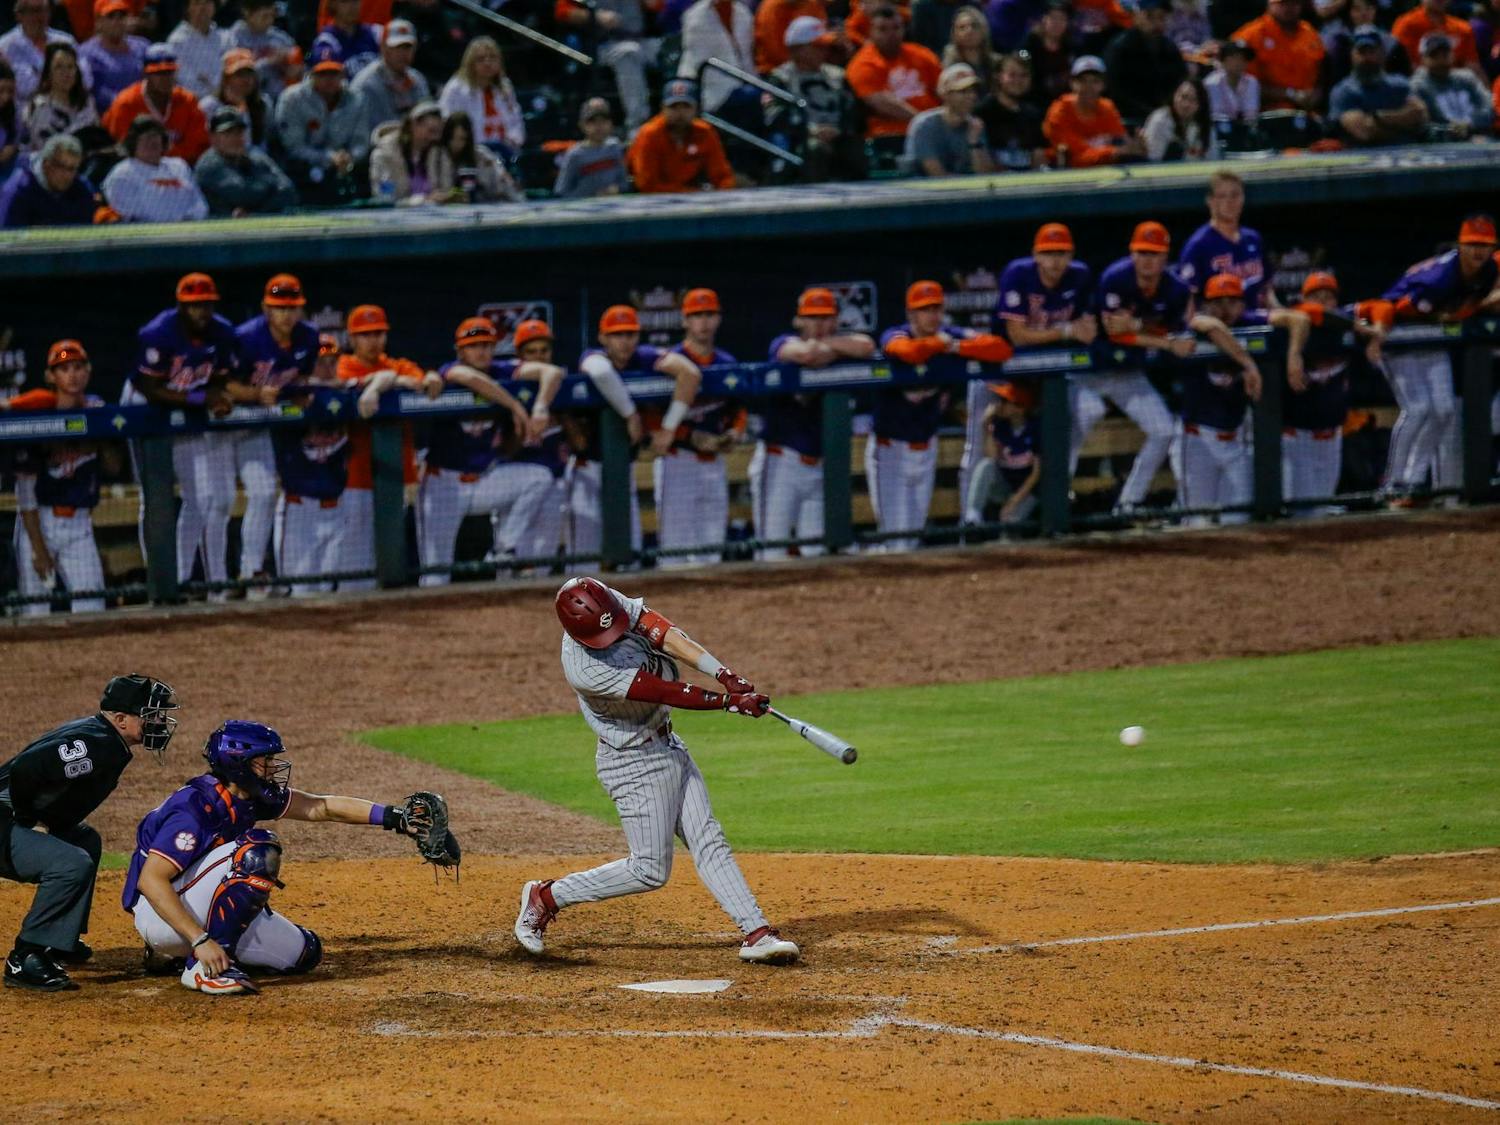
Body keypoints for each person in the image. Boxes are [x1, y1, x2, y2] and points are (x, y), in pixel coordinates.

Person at [514, 578, 799, 966]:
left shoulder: (603, 600)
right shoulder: (585, 670)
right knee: (649, 871)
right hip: (633, 764)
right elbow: (664, 692)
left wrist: (725, 674)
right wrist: (728, 702)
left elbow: (663, 633)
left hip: (668, 745)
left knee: (708, 839)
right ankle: (547, 897)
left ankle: (757, 933)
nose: (616, 637)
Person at [128, 720, 452, 994]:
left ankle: (175, 953)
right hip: (160, 913)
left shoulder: (248, 796)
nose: (272, 767)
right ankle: (203, 967)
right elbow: (151, 880)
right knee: (256, 851)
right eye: (263, 760)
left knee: (305, 954)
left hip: (190, 908)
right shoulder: (194, 808)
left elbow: (320, 806)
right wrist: (199, 940)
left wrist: (395, 817)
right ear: (237, 763)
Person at [0, 674, 179, 992]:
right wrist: (29, 818)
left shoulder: (105, 738)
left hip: (7, 819)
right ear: (122, 719)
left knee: (85, 840)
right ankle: (26, 955)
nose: (160, 721)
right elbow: (26, 769)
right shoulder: (95, 745)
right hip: (3, 821)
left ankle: (57, 941)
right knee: (71, 863)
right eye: (151, 714)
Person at [873, 280, 1012, 551]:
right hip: (890, 450)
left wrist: (955, 347)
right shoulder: (897, 333)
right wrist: (938, 343)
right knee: (895, 540)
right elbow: (907, 352)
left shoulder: (951, 335)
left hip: (926, 448)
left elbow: (1000, 348)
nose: (932, 315)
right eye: (925, 309)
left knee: (912, 538)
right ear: (911, 314)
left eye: (936, 308)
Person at [417, 316, 555, 585]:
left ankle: (504, 547)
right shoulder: (451, 370)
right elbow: (466, 376)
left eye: (487, 345)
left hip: (484, 482)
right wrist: (515, 406)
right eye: (473, 345)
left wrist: (539, 407)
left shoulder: (503, 370)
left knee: (539, 477)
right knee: (435, 574)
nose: (481, 351)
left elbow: (552, 373)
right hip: (443, 484)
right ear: (460, 351)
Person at [1373, 215, 1500, 501]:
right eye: (1472, 244)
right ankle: (1392, 481)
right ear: (1460, 245)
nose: (1478, 251)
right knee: (1418, 409)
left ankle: (1414, 479)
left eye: (1484, 244)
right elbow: (1397, 306)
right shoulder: (1438, 279)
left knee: (1442, 409)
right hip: (1399, 329)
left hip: (1434, 331)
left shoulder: (1489, 269)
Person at [124, 273, 237, 591]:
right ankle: (157, 576)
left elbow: (219, 378)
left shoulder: (223, 332)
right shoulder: (159, 332)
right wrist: (203, 399)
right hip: (145, 408)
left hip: (187, 408)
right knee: (154, 497)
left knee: (199, 497)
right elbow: (151, 389)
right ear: (181, 305)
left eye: (206, 305)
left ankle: (182, 577)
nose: (201, 311)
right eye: (194, 305)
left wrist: (218, 397)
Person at [566, 304, 702, 563]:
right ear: (603, 338)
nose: (625, 341)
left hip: (623, 470)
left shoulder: (644, 356)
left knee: (631, 553)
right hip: (587, 469)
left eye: (630, 334)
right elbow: (601, 372)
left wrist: (669, 427)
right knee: (584, 560)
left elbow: (690, 373)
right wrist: (631, 414)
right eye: (617, 335)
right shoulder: (593, 356)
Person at [755, 286, 876, 559]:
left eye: (825, 317)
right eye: (812, 317)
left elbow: (867, 346)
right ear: (799, 320)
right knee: (771, 550)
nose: (819, 324)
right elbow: (805, 355)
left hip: (820, 466)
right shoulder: (781, 342)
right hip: (781, 462)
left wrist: (829, 347)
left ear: (835, 320)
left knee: (815, 553)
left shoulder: (838, 343)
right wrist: (836, 350)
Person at [1085, 221, 1196, 515]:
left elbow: (1175, 331)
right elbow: (1114, 332)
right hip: (1092, 373)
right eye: (1142, 253)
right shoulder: (1115, 278)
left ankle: (1129, 501)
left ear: (1165, 257)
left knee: (1163, 430)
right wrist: (1161, 339)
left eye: (1155, 254)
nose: (1148, 260)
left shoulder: (1176, 289)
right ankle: (1056, 504)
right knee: (1075, 430)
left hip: (1128, 375)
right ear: (1132, 253)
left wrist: (1137, 326)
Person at [1176, 272, 1300, 524]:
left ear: (1243, 304)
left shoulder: (1249, 321)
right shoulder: (1198, 324)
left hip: (1236, 442)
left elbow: (1297, 318)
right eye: (1217, 302)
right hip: (1198, 441)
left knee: (1239, 521)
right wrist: (1248, 364)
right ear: (1206, 305)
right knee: (1196, 524)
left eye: (1232, 301)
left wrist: (1294, 354)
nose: (1225, 308)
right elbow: (1212, 326)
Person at [335, 304, 443, 590]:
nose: (373, 340)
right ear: (352, 338)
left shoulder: (397, 364)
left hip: (397, 477)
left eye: (378, 333)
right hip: (354, 477)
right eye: (365, 334)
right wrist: (394, 382)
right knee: (354, 561)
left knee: (392, 554)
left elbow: (424, 382)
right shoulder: (343, 365)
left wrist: (428, 378)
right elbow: (344, 382)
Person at [4, 339, 115, 614]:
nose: (73, 375)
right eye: (64, 369)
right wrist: (39, 551)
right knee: (35, 613)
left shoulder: (97, 412)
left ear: (88, 371)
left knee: (92, 609)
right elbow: (25, 494)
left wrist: (103, 439)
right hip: (40, 523)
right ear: (50, 376)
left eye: (78, 367)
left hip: (79, 525)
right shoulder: (36, 415)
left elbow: (113, 467)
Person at [225, 274, 319, 594]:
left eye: (292, 308)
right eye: (280, 308)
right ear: (266, 308)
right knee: (211, 502)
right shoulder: (245, 337)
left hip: (256, 425)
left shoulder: (308, 338)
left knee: (264, 492)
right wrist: (252, 394)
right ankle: (198, 583)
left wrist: (298, 393)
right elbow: (221, 384)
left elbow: (300, 378)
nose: (287, 315)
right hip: (221, 426)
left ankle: (252, 573)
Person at [1282, 271, 1384, 516]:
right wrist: (1356, 326)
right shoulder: (1296, 321)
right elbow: (1310, 312)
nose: (1323, 301)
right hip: (1297, 436)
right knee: (1301, 511)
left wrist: (1377, 333)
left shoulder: (1345, 320)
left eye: (1329, 296)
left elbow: (1381, 307)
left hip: (1332, 436)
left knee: (1319, 508)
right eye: (1317, 295)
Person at [656, 288, 741, 568]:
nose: (703, 322)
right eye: (697, 315)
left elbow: (739, 409)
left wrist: (735, 432)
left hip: (714, 463)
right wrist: (689, 435)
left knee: (712, 546)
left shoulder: (727, 362)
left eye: (709, 315)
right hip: (678, 460)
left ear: (718, 319)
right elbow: (653, 418)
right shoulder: (671, 361)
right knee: (675, 550)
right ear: (685, 320)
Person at [274, 333, 350, 596]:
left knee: (329, 593)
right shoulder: (290, 396)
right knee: (299, 592)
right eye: (321, 362)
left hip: (337, 509)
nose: (328, 369)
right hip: (299, 511)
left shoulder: (347, 394)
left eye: (333, 362)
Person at [767, 16, 865, 182]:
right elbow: (775, 115)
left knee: (855, 147)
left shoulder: (837, 75)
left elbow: (853, 111)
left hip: (837, 134)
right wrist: (810, 131)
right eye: (817, 46)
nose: (824, 51)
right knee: (814, 149)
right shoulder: (780, 78)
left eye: (824, 46)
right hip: (801, 138)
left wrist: (839, 129)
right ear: (796, 49)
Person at [273, 50, 371, 204]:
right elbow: (293, 147)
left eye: (334, 73)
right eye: (322, 74)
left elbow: (361, 142)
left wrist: (349, 158)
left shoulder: (356, 99)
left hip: (346, 167)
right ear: (311, 74)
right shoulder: (291, 98)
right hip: (303, 170)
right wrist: (329, 157)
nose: (329, 79)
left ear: (342, 74)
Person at [555, 0, 659, 131]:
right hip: (605, 44)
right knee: (628, 53)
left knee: (670, 50)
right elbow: (562, 12)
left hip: (643, 39)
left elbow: (658, 6)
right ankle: (638, 125)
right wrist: (594, 15)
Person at [101, 43, 210, 165]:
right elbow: (124, 145)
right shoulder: (126, 102)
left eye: (169, 72)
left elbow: (198, 144)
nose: (165, 78)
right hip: (135, 167)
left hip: (180, 167)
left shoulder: (187, 101)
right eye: (158, 73)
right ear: (146, 74)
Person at [1176, 170, 1272, 308]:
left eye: (1235, 195)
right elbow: (1189, 298)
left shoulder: (1253, 238)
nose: (1229, 202)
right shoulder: (1198, 244)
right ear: (1210, 201)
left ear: (1243, 198)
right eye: (1222, 196)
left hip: (1254, 317)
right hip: (1217, 320)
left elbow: (1266, 290)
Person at [847, 5, 942, 137]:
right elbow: (882, 103)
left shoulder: (922, 54)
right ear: (870, 31)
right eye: (882, 29)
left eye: (896, 28)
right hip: (891, 135)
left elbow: (943, 89)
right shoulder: (862, 63)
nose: (891, 34)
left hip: (935, 129)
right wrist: (923, 122)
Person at [627, 78, 736, 192]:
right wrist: (689, 193)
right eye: (673, 107)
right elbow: (646, 184)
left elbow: (723, 176)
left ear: (695, 109)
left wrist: (724, 192)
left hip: (691, 196)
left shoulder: (705, 132)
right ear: (663, 108)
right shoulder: (649, 134)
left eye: (686, 106)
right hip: (651, 200)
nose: (680, 112)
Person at [1329, 28, 1428, 145]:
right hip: (1365, 157)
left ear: (1382, 53)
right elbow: (1365, 132)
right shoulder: (1344, 90)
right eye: (1362, 52)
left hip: (1408, 154)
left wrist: (1379, 117)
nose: (1367, 57)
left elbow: (1420, 116)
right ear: (1352, 55)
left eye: (1371, 51)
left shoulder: (1401, 84)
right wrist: (1403, 123)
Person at [101, 113, 209, 221]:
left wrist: (191, 219)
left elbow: (199, 202)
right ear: (133, 142)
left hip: (190, 230)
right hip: (149, 233)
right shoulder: (122, 174)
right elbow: (129, 211)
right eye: (144, 138)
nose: (151, 141)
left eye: (155, 135)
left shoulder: (179, 165)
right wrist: (174, 222)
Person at [964, 380, 1041, 527]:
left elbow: (1036, 473)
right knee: (986, 465)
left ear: (1020, 408)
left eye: (1006, 401)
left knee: (1010, 523)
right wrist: (986, 426)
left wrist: (1014, 501)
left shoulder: (1034, 428)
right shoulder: (1000, 425)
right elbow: (992, 459)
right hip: (1004, 485)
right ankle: (973, 516)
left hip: (1026, 491)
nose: (1001, 404)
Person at [195, 105, 296, 215]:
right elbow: (241, 193)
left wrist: (254, 213)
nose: (236, 138)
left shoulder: (256, 156)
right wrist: (269, 187)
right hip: (220, 227)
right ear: (213, 137)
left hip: (257, 222)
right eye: (228, 133)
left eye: (239, 132)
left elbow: (287, 189)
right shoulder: (208, 165)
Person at [1043, 54, 1141, 166]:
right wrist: (1115, 152)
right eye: (1083, 81)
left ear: (1103, 85)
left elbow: (1121, 141)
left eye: (1095, 81)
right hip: (1066, 176)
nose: (1089, 87)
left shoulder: (1107, 107)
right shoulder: (1059, 112)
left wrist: (1135, 148)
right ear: (1072, 84)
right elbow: (1075, 158)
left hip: (1105, 173)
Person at [1103, 0, 1189, 124]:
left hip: (1166, 118)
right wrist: (1152, 114)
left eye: (1161, 17)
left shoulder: (1170, 49)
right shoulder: (1121, 48)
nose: (1157, 23)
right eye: (1150, 16)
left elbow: (1181, 82)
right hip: (1130, 119)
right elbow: (1116, 92)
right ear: (1137, 16)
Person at [1231, 0, 1326, 111]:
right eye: (1282, 3)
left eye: (1294, 3)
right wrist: (1289, 94)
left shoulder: (1310, 33)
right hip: (1265, 115)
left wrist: (1317, 93)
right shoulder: (1250, 35)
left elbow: (1321, 71)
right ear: (1269, 4)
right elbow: (1238, 83)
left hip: (1307, 113)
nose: (1289, 8)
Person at [904, 61, 997, 174]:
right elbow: (936, 174)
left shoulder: (975, 126)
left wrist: (974, 142)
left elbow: (985, 175)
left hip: (966, 189)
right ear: (945, 94)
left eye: (973, 91)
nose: (972, 96)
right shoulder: (924, 125)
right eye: (963, 91)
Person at [0, 130, 97, 226]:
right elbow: (8, 237)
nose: (66, 175)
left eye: (71, 169)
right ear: (46, 165)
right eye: (61, 166)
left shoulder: (82, 190)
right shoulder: (18, 191)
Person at [1, 0, 86, 106]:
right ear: (19, 15)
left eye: (45, 10)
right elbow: (22, 88)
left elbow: (87, 79)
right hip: (25, 114)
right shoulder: (5, 46)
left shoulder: (66, 41)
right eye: (34, 11)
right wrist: (60, 82)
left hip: (69, 108)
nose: (40, 17)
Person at [678, 0, 755, 114]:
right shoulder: (696, 17)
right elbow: (698, 63)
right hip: (710, 87)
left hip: (742, 83)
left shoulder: (743, 13)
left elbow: (747, 59)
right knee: (751, 97)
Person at [349, 17, 428, 129]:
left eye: (407, 47)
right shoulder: (366, 84)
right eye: (397, 47)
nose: (403, 53)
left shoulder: (418, 80)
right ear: (383, 48)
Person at [1411, 32, 1493, 136]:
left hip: (1479, 136)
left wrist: (1470, 124)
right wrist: (1451, 130)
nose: (1441, 60)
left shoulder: (1467, 78)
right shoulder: (1418, 86)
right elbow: (1423, 124)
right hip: (1440, 145)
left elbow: (1488, 105)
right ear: (1422, 59)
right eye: (1434, 55)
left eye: (1445, 54)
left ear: (1452, 55)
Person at [976, 50, 1046, 169]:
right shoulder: (982, 112)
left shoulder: (1033, 114)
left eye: (1024, 75)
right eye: (1012, 75)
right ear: (998, 76)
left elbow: (1038, 156)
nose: (1018, 81)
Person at [369, 98, 447, 203]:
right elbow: (385, 198)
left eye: (438, 132)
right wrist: (422, 200)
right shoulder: (384, 155)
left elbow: (445, 187)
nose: (434, 137)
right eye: (431, 131)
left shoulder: (437, 153)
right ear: (414, 125)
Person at [79, 0, 146, 116]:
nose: (117, 22)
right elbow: (93, 91)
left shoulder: (143, 46)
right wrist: (125, 104)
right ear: (98, 22)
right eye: (111, 17)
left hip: (143, 114)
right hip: (106, 117)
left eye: (121, 16)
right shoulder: (87, 53)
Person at [197, 49, 272, 152]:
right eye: (240, 75)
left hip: (255, 160)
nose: (246, 80)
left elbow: (263, 143)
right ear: (226, 79)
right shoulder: (209, 106)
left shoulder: (263, 104)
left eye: (249, 74)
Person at [438, 110, 521, 203]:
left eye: (461, 139)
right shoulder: (438, 156)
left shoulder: (482, 155)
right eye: (452, 138)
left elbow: (503, 180)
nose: (456, 144)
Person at [553, 96, 628, 198]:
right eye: (592, 122)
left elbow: (624, 183)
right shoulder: (575, 154)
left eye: (604, 121)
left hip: (614, 207)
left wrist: (616, 189)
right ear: (582, 125)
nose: (599, 126)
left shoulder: (615, 148)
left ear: (611, 123)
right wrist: (590, 195)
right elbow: (562, 191)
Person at [227, 0, 297, 102]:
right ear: (248, 13)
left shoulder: (280, 38)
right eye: (264, 16)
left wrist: (290, 66)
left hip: (280, 98)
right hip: (247, 98)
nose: (269, 21)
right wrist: (269, 62)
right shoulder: (234, 38)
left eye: (271, 16)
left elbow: (298, 68)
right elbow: (238, 75)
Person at [1392, 0, 1481, 74]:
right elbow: (1402, 65)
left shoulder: (1463, 29)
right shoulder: (1406, 25)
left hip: (1455, 86)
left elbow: (1473, 68)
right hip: (1418, 84)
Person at [166, 0, 231, 100]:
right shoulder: (177, 41)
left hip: (228, 100)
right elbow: (186, 84)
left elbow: (233, 75)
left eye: (207, 2)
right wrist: (216, 91)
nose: (202, 8)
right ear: (188, 8)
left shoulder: (226, 38)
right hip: (194, 105)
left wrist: (209, 82)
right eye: (196, 3)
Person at [1140, 77, 1215, 161]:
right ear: (1174, 95)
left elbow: (1213, 159)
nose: (1186, 104)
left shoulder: (1204, 125)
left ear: (1201, 105)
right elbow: (1153, 160)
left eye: (1193, 100)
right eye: (1183, 97)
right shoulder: (1160, 121)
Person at [1019, 0, 1073, 112]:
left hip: (1064, 101)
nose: (1057, 23)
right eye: (1053, 18)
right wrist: (1025, 60)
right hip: (1034, 101)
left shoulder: (1071, 46)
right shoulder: (1029, 44)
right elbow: (1021, 57)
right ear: (1044, 20)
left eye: (1062, 19)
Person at [313, 0, 382, 78]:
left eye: (355, 1)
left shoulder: (375, 32)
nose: (352, 6)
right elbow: (328, 79)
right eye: (345, 1)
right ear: (333, 4)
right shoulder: (327, 40)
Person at [755, 0, 828, 72]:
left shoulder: (814, 5)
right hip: (772, 70)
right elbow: (772, 51)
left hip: (814, 68)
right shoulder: (772, 6)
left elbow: (823, 37)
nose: (822, 51)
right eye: (818, 48)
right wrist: (800, 60)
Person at [942, 5, 1001, 91]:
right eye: (962, 27)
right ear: (954, 34)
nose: (969, 31)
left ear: (984, 30)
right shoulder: (947, 67)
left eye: (975, 26)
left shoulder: (997, 64)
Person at [1203, 37, 1260, 125]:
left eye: (1243, 59)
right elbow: (1216, 117)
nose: (1239, 63)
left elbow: (1251, 115)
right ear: (1224, 60)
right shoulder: (1211, 83)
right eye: (1235, 58)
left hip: (1243, 131)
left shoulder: (1252, 82)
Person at [0, 60, 20, 178]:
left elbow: (14, 143)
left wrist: (12, 148)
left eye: (10, 91)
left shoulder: (12, 113)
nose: (5, 97)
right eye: (1, 91)